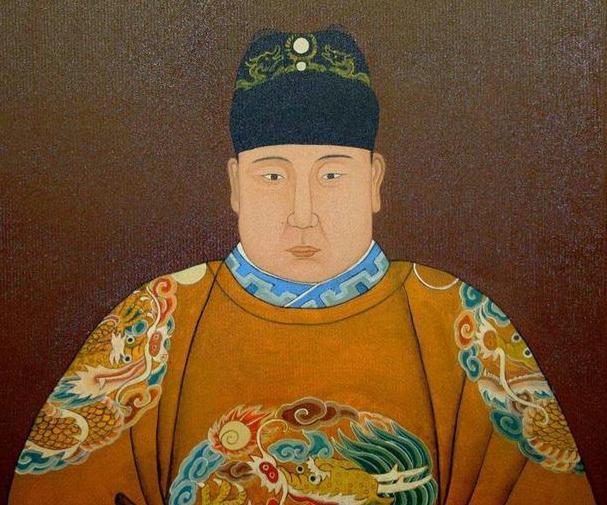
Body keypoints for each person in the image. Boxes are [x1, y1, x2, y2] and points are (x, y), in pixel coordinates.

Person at [9, 28, 596, 505]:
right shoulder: (157, 321)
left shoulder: (459, 322)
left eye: (332, 175)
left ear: (375, 182)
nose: (302, 214)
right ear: (235, 185)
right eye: (272, 175)